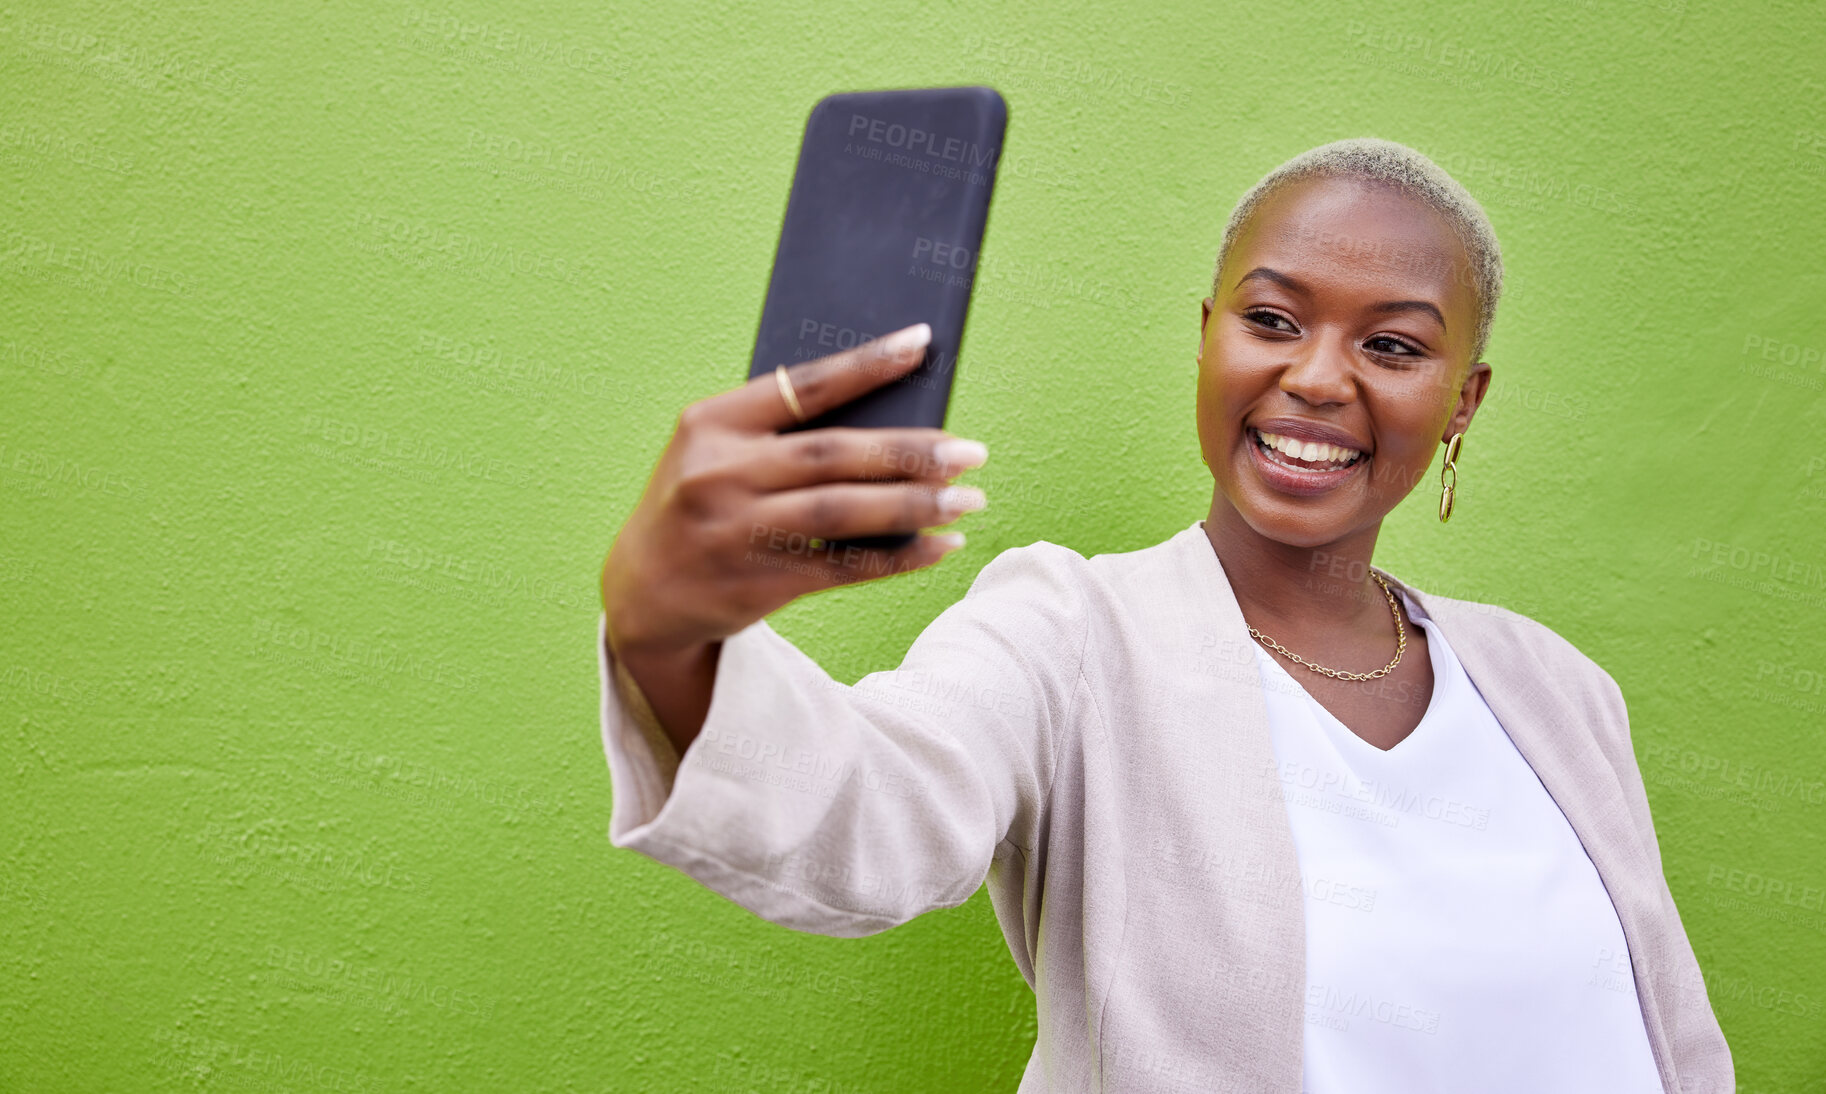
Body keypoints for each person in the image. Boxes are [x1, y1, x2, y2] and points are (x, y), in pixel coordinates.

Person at [594, 138, 1734, 1093]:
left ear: (1460, 400)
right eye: (1272, 319)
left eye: (1391, 343)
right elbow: (869, 818)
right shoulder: (1073, 631)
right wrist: (669, 627)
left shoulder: (1555, 687)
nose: (1317, 377)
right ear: (1206, 335)